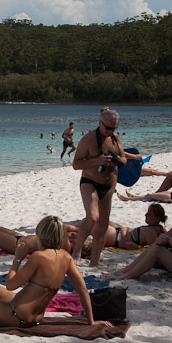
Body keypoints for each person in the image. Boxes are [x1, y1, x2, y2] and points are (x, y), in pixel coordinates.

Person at [72, 107, 126, 266]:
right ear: (100, 123)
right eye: (107, 127)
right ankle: (77, 251)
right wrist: (97, 161)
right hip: (90, 182)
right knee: (92, 218)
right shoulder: (88, 139)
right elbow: (76, 164)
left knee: (103, 224)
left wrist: (120, 161)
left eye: (114, 128)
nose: (110, 131)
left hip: (108, 183)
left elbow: (123, 157)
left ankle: (94, 260)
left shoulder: (115, 138)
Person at [91, 204, 168, 250]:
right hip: (120, 230)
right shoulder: (160, 228)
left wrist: (137, 247)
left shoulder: (151, 232)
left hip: (116, 238)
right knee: (96, 220)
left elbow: (153, 249)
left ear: (158, 218)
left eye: (149, 214)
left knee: (92, 223)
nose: (145, 215)